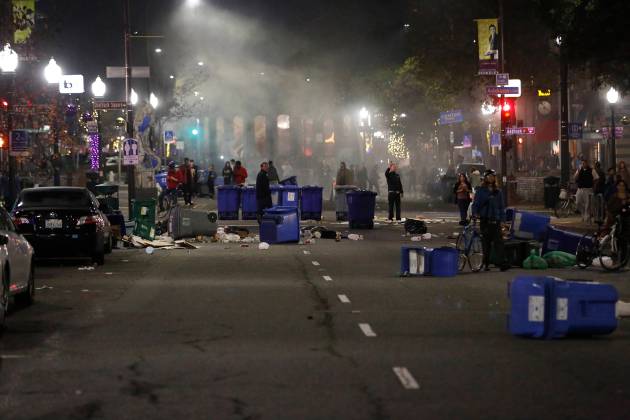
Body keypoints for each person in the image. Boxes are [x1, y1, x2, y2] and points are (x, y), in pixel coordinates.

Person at [472, 169, 509, 271]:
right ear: (485, 178)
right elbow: (476, 204)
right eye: (489, 176)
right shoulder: (481, 191)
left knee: (499, 242)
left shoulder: (498, 192)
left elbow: (501, 207)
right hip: (485, 220)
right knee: (486, 243)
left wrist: (503, 220)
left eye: (493, 176)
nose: (491, 178)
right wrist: (475, 214)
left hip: (495, 220)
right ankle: (486, 263)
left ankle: (502, 263)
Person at [574, 159, 599, 223]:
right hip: (580, 189)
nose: (583, 164)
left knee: (588, 204)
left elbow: (596, 178)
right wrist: (578, 172)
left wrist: (594, 187)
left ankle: (586, 217)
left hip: (588, 189)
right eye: (582, 163)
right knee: (578, 202)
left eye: (584, 163)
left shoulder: (592, 170)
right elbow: (575, 178)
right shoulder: (579, 170)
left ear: (587, 163)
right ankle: (583, 213)